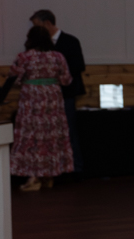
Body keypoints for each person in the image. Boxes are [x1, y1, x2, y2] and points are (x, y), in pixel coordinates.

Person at [8, 25, 73, 190]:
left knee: (32, 137)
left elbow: (14, 78)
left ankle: (34, 178)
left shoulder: (24, 57)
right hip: (53, 100)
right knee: (52, 136)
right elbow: (66, 80)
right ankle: (49, 175)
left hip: (32, 100)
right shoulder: (58, 56)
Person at [30, 10, 85, 173]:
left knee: (69, 131)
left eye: (38, 26)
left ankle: (76, 169)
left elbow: (79, 66)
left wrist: (55, 74)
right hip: (45, 97)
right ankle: (54, 169)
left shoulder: (70, 41)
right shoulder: (38, 45)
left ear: (47, 23)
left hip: (66, 94)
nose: (36, 30)